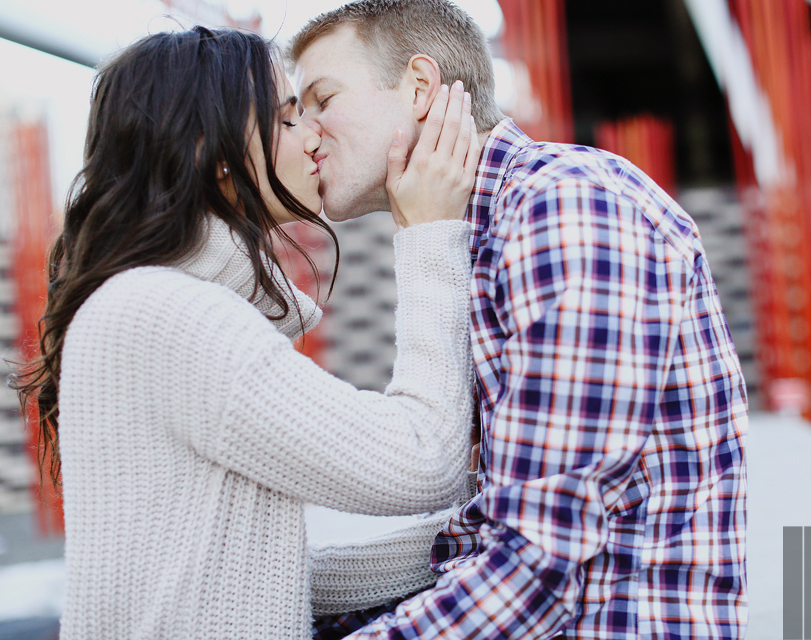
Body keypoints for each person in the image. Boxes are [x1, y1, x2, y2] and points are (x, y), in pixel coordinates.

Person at [289, 1, 749, 639]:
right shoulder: (483, 226)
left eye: (321, 99)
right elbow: (483, 533)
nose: (305, 133)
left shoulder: (564, 209)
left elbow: (535, 571)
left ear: (419, 88)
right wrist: (286, 584)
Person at [14, 27, 483, 640]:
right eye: (289, 119)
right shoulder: (171, 315)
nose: (314, 134)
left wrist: (482, 538)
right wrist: (427, 234)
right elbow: (423, 461)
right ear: (217, 153)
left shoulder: (144, 305)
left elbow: (235, 576)